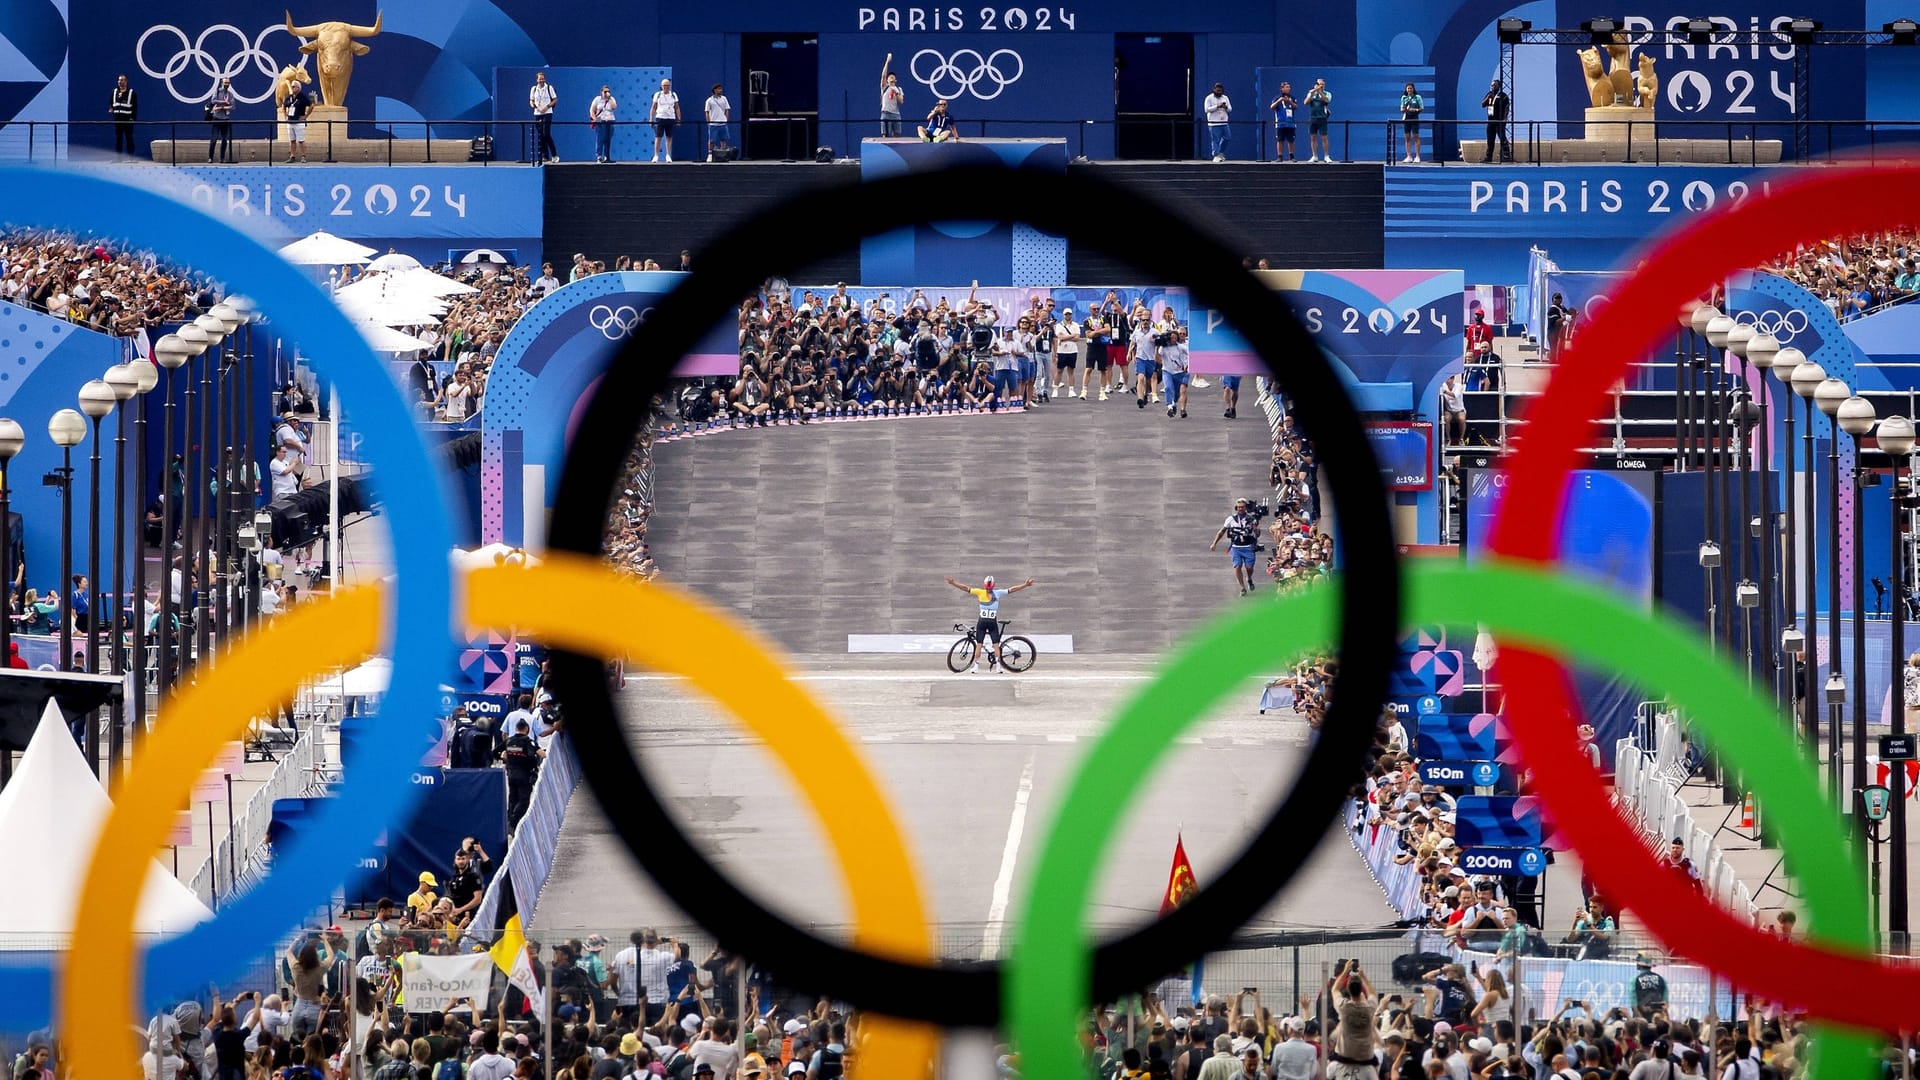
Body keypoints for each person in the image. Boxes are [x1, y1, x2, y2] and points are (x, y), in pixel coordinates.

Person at [943, 574, 1036, 672]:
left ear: (984, 585)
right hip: (992, 622)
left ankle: (976, 667)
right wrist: (1025, 585)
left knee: (979, 644)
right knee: (996, 645)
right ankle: (999, 667)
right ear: (994, 585)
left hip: (982, 622)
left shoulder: (980, 592)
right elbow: (1011, 589)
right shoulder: (998, 593)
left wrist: (953, 583)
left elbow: (966, 588)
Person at [1211, 498, 1263, 598]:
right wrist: (1214, 543)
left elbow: (1258, 534)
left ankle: (1249, 578)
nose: (1240, 509)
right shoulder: (1231, 519)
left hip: (1248, 547)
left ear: (1246, 508)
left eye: (1242, 507)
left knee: (1249, 567)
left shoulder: (1252, 519)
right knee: (1237, 566)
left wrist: (1256, 529)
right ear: (1236, 508)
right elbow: (1222, 531)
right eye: (1239, 507)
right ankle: (1242, 587)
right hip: (1236, 547)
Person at [501, 717, 544, 830]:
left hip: (511, 774)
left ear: (516, 728)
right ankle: (514, 821)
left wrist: (505, 758)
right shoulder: (528, 741)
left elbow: (496, 752)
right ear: (527, 729)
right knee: (524, 800)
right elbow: (539, 754)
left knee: (513, 798)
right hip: (524, 775)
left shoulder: (509, 740)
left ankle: (509, 822)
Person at [1162, 324, 1191, 419]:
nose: (1174, 339)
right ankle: (1170, 407)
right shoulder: (1164, 347)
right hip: (1167, 371)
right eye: (1172, 337)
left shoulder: (1182, 346)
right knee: (1168, 388)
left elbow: (1191, 354)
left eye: (1183, 334)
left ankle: (1175, 403)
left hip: (1181, 372)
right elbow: (1158, 353)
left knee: (1178, 392)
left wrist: (1188, 364)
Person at [529, 72, 559, 164]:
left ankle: (554, 155)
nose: (541, 80)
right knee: (540, 135)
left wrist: (546, 107)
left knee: (546, 134)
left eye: (543, 79)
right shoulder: (534, 89)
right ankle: (545, 156)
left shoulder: (549, 88)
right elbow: (531, 101)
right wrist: (535, 107)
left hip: (547, 113)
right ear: (537, 80)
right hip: (537, 113)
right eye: (539, 79)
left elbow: (555, 99)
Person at [650, 77, 681, 162]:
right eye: (664, 85)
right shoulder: (657, 94)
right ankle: (656, 155)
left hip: (670, 117)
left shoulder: (673, 95)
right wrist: (651, 119)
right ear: (661, 86)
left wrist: (679, 119)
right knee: (658, 136)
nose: (666, 87)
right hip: (660, 117)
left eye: (667, 85)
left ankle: (668, 155)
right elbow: (653, 107)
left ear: (669, 86)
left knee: (669, 137)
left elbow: (677, 107)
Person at [1464, 310, 1496, 391]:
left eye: (1479, 315)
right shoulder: (1471, 328)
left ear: (1482, 316)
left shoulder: (1487, 328)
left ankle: (1484, 387)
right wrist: (1466, 354)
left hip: (1482, 354)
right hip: (1473, 354)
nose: (1477, 317)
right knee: (1470, 373)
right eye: (1476, 315)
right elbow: (1469, 342)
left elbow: (1490, 342)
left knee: (1482, 372)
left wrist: (1491, 354)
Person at [1482, 79, 1512, 163]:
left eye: (1494, 85)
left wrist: (1505, 118)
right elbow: (1483, 105)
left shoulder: (1503, 96)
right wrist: (1487, 98)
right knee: (1490, 139)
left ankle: (1506, 156)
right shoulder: (1489, 94)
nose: (1492, 87)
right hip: (1490, 121)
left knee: (1502, 138)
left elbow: (1507, 107)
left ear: (1499, 86)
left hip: (1499, 121)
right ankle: (1488, 157)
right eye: (1492, 85)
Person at [282, 74, 310, 163]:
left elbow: (311, 105)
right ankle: (292, 156)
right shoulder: (289, 97)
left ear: (298, 88)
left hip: (299, 122)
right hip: (290, 121)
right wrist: (285, 116)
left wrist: (306, 116)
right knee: (292, 140)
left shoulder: (302, 97)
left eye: (294, 87)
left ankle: (303, 156)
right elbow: (284, 106)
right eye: (292, 86)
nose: (292, 88)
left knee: (301, 140)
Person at [208, 78, 235, 163]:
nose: (227, 84)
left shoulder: (230, 94)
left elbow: (233, 106)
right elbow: (213, 101)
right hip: (216, 118)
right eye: (225, 82)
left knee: (224, 140)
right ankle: (210, 157)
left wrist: (223, 107)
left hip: (225, 119)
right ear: (221, 83)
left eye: (228, 83)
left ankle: (222, 158)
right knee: (214, 139)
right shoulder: (217, 91)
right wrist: (223, 102)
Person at [1305, 79, 1332, 163]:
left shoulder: (1327, 93)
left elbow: (1326, 100)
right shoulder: (1312, 93)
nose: (1321, 86)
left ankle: (1326, 156)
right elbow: (1306, 102)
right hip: (1313, 118)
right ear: (1316, 84)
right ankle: (1314, 156)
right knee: (1313, 137)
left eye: (1323, 84)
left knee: (1324, 138)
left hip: (1322, 118)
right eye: (1320, 84)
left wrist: (1320, 91)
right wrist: (1313, 92)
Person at [1269, 82, 1298, 162]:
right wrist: (1279, 100)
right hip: (1280, 123)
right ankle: (1280, 156)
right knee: (1280, 140)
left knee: (1291, 140)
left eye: (1289, 87)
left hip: (1290, 123)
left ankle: (1292, 156)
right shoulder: (1277, 97)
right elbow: (1272, 107)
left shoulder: (1292, 98)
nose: (1288, 88)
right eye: (1286, 87)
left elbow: (1296, 107)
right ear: (1282, 88)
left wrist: (1289, 101)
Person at [589, 84, 617, 164]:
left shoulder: (612, 99)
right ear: (601, 92)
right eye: (605, 91)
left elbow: (614, 107)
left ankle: (607, 156)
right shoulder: (597, 99)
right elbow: (592, 110)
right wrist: (594, 119)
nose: (607, 93)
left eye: (608, 91)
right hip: (601, 122)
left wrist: (609, 98)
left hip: (610, 121)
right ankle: (599, 156)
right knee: (600, 139)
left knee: (607, 140)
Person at [1204, 82, 1232, 162]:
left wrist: (1225, 107)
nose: (1219, 92)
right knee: (1215, 139)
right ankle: (1215, 155)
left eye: (1220, 91)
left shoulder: (1225, 98)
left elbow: (1230, 109)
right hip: (1214, 123)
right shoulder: (1209, 98)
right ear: (1214, 90)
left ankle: (1220, 152)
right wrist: (1217, 106)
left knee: (1228, 137)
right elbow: (1206, 110)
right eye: (1217, 90)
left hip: (1224, 122)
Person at [111, 74, 138, 157]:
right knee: (118, 139)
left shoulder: (131, 92)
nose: (120, 82)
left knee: (129, 138)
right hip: (117, 120)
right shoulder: (114, 91)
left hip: (128, 120)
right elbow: (111, 103)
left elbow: (135, 107)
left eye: (122, 80)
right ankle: (118, 158)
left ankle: (131, 158)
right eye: (119, 80)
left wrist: (132, 118)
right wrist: (112, 111)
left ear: (126, 82)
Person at [704, 83, 731, 160]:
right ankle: (710, 155)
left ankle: (723, 154)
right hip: (713, 124)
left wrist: (726, 119)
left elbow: (727, 109)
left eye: (721, 89)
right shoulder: (709, 100)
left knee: (724, 139)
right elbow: (707, 112)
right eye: (719, 89)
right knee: (711, 140)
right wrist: (708, 122)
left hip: (723, 123)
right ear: (715, 90)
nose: (720, 90)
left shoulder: (724, 99)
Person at [880, 54, 905, 136]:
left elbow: (901, 101)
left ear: (896, 80)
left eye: (893, 77)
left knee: (896, 136)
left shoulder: (899, 89)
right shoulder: (884, 87)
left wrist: (896, 92)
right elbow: (883, 75)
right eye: (890, 77)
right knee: (885, 135)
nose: (891, 78)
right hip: (886, 114)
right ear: (887, 80)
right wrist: (887, 61)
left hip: (896, 115)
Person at [1399, 82, 1424, 163]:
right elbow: (1402, 109)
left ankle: (1417, 156)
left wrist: (1415, 110)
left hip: (1414, 118)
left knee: (1416, 137)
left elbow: (1422, 108)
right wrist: (1405, 109)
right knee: (1407, 137)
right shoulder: (1403, 97)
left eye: (1411, 88)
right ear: (1406, 89)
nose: (1409, 90)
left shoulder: (1417, 97)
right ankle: (1409, 156)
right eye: (1408, 88)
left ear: (1413, 89)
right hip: (1406, 118)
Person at [1441, 372, 1467, 447]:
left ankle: (1461, 439)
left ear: (1453, 379)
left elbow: (1454, 395)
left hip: (1459, 410)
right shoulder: (1443, 386)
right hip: (1449, 410)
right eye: (1446, 379)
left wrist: (1445, 391)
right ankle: (1448, 439)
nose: (1447, 381)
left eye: (1449, 379)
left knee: (1462, 419)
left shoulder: (1458, 386)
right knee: (1446, 418)